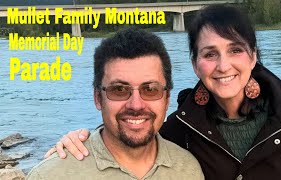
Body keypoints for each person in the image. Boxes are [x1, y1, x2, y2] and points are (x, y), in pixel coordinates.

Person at [45, 4, 281, 180]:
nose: (224, 65)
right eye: (210, 53)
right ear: (195, 64)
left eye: (235, 50)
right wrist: (82, 139)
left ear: (252, 57)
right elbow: (135, 124)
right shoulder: (184, 126)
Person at [27, 29, 204, 180]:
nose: (136, 105)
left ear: (167, 99)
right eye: (119, 90)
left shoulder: (188, 170)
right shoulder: (51, 175)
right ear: (98, 98)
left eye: (150, 89)